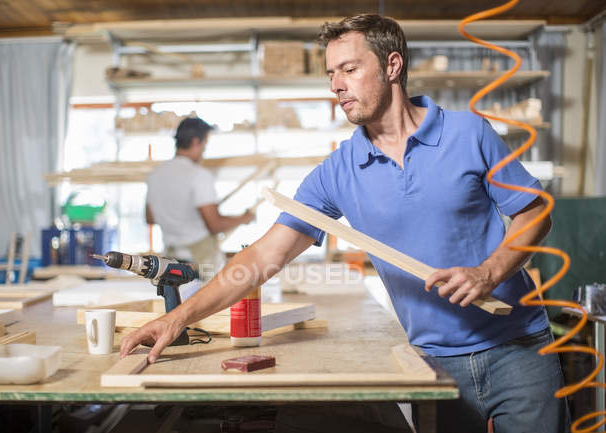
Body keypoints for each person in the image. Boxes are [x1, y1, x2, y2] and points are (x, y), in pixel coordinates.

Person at [128, 15, 570, 433]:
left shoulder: (468, 134)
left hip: (519, 348)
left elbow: (534, 212)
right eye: (330, 73)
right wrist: (179, 318)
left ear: (392, 65)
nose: (337, 85)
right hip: (433, 363)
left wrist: (489, 271)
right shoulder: (338, 173)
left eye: (350, 68)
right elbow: (264, 256)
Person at [145, 116, 254, 279]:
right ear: (196, 142)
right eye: (205, 145)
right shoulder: (199, 175)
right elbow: (214, 225)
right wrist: (244, 218)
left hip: (170, 258)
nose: (204, 150)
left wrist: (176, 216)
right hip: (199, 261)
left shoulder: (156, 175)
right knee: (208, 301)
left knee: (177, 302)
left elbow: (150, 217)